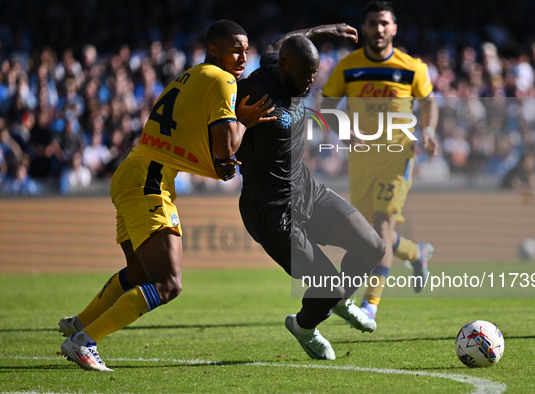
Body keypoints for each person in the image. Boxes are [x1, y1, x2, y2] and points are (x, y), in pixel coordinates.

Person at [57, 20, 276, 371]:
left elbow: (204, 148)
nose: (243, 56)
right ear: (214, 49)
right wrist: (244, 122)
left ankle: (81, 323)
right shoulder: (223, 81)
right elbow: (226, 147)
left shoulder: (190, 76)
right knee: (168, 284)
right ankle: (84, 341)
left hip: (134, 169)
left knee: (140, 273)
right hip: (150, 177)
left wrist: (220, 160)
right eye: (236, 48)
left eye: (246, 49)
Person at [236, 26, 385, 360]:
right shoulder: (253, 91)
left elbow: (280, 39)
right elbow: (219, 130)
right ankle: (304, 326)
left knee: (373, 246)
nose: (310, 81)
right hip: (271, 212)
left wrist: (326, 30)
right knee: (328, 285)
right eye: (305, 73)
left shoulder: (282, 59)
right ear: (285, 65)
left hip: (307, 192)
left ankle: (339, 299)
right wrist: (224, 156)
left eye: (314, 73)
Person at [321, 1, 440, 319]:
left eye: (384, 23)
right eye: (373, 23)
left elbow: (429, 104)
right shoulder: (348, 66)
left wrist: (428, 129)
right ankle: (416, 252)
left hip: (398, 157)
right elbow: (327, 104)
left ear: (394, 28)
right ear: (364, 28)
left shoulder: (411, 66)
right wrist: (345, 132)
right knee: (370, 235)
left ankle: (369, 305)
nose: (379, 29)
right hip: (361, 160)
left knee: (382, 226)